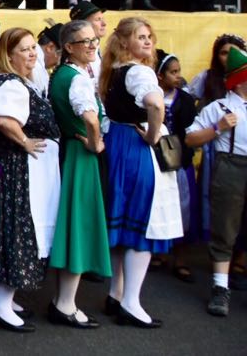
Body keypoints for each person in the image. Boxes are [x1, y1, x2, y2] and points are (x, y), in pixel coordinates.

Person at [100, 17, 181, 328]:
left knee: (123, 224)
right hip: (137, 147)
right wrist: (153, 134)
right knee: (142, 224)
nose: (148, 42)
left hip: (118, 143)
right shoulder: (139, 71)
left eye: (149, 36)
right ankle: (131, 302)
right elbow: (155, 104)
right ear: (124, 42)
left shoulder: (113, 70)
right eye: (140, 36)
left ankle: (117, 294)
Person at [0, 28, 61, 332]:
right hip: (20, 169)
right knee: (19, 229)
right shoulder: (11, 84)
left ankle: (6, 299)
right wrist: (25, 141)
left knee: (20, 228)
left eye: (32, 48)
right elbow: (2, 118)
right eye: (24, 49)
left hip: (28, 168)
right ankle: (1, 304)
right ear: (9, 54)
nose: (32, 54)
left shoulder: (20, 83)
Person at [47, 19, 110, 328]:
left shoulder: (61, 74)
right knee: (79, 226)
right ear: (69, 47)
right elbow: (90, 118)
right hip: (80, 155)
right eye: (86, 41)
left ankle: (63, 300)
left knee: (71, 224)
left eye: (94, 40)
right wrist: (96, 144)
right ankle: (66, 304)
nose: (93, 45)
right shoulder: (77, 79)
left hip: (67, 152)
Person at [186, 46, 247, 317]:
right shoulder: (219, 108)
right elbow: (190, 138)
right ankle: (220, 287)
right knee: (225, 225)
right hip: (230, 166)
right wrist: (217, 128)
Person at [154, 49, 201, 283]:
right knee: (160, 205)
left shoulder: (185, 100)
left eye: (178, 71)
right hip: (157, 159)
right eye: (172, 72)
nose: (178, 76)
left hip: (180, 161)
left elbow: (191, 131)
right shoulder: (150, 97)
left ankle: (181, 258)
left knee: (184, 208)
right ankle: (159, 252)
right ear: (160, 76)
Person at [69, 0, 107, 80]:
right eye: (98, 19)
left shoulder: (97, 48)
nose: (104, 23)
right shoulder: (79, 54)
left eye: (103, 18)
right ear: (82, 24)